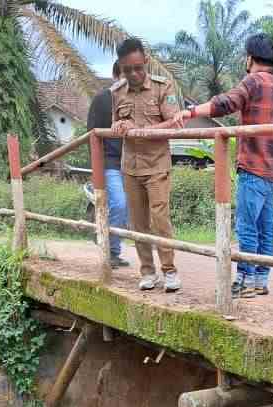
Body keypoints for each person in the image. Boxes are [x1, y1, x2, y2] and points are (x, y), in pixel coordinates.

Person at [174, 32, 273, 298]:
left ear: (249, 58)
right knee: (265, 229)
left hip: (252, 168)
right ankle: (260, 280)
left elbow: (226, 102)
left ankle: (244, 279)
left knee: (248, 228)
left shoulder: (253, 82)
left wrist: (191, 112)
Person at [111, 38, 182, 293]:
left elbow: (174, 123)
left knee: (160, 218)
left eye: (138, 68)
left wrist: (139, 130)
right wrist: (118, 127)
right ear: (120, 67)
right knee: (138, 222)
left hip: (156, 164)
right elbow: (114, 124)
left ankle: (170, 271)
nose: (133, 74)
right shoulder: (117, 91)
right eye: (127, 70)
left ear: (146, 61)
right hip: (130, 166)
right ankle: (147, 271)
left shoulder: (163, 87)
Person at [86, 61, 129, 268]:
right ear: (116, 75)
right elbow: (91, 135)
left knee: (127, 209)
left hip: (131, 162)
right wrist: (96, 170)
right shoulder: (102, 99)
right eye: (125, 73)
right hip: (108, 161)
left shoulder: (137, 101)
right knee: (119, 203)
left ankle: (113, 251)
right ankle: (107, 245)